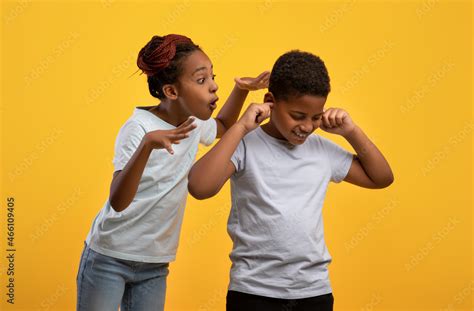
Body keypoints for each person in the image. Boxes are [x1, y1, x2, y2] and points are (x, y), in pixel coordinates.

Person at [188, 50, 394, 311]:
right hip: (253, 291)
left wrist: (352, 132)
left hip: (313, 291)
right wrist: (239, 128)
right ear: (269, 101)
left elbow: (381, 178)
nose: (307, 126)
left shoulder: (321, 149)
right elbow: (199, 187)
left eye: (316, 117)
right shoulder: (245, 144)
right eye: (298, 116)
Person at [76, 34, 269, 311]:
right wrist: (147, 146)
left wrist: (241, 89)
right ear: (171, 92)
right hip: (108, 258)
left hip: (154, 263)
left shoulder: (193, 122)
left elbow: (224, 126)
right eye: (202, 80)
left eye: (213, 76)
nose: (214, 86)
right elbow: (118, 202)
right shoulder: (139, 128)